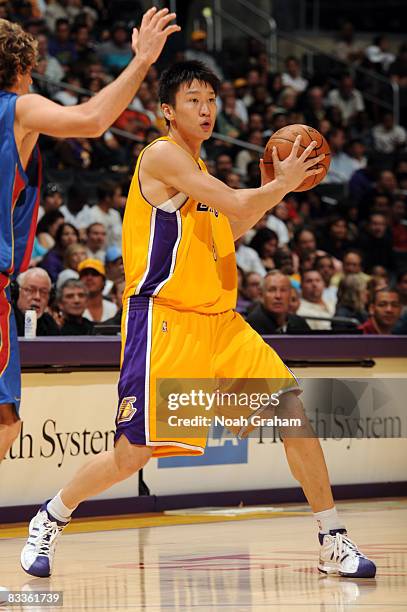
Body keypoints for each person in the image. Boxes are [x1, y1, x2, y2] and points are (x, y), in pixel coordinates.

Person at [21, 60, 375, 580]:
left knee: (292, 413)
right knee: (134, 453)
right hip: (166, 320)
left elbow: (232, 223)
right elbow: (236, 203)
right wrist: (280, 184)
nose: (206, 109)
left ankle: (331, 536)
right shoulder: (163, 156)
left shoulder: (202, 172)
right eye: (193, 99)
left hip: (219, 321)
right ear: (167, 110)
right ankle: (50, 517)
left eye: (211, 99)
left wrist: (272, 186)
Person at [0, 8, 180, 463]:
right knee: (5, 422)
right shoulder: (17, 106)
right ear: (22, 68)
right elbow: (93, 119)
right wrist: (141, 61)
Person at [13, 268, 59, 336]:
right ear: (17, 292)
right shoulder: (5, 320)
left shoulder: (49, 323)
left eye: (44, 292)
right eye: (30, 290)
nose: (37, 297)